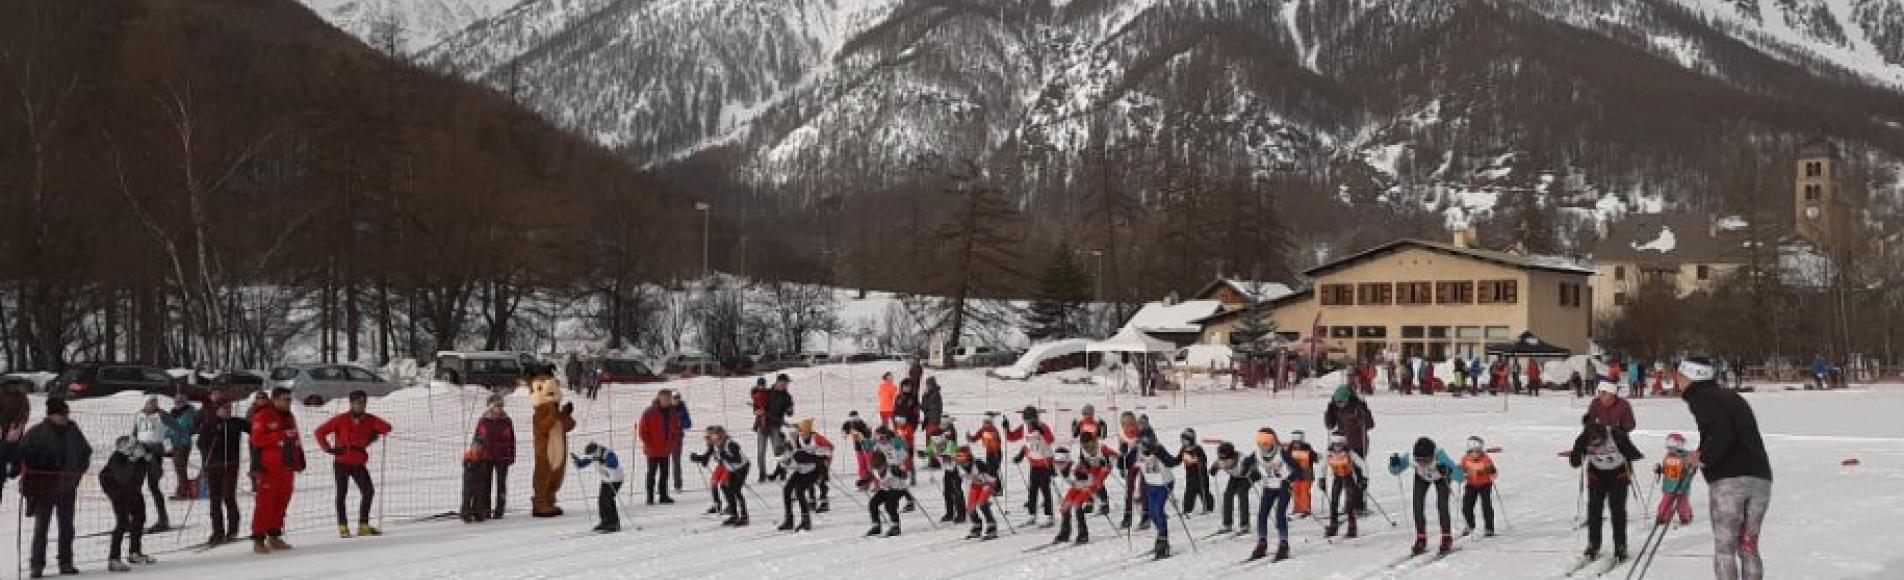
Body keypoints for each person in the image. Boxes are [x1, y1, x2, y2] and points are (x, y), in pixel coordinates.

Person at [1678, 356, 1772, 580]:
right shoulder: (1731, 396)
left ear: (1691, 377)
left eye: (1680, 376)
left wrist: (1703, 457)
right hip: (1760, 477)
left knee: (1725, 549)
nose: (1677, 381)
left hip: (1730, 480)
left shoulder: (1701, 397)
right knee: (1748, 548)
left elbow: (1721, 431)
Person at [22, 398, 90, 577]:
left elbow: (85, 452)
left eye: (66, 414)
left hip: (67, 487)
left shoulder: (73, 431)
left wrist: (77, 474)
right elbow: (24, 459)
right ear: (51, 415)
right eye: (61, 414)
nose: (65, 417)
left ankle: (66, 562)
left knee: (67, 526)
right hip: (44, 489)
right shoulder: (35, 433)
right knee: (41, 527)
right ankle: (37, 565)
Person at [314, 390, 393, 538]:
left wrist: (375, 433)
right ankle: (343, 526)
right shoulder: (341, 419)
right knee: (341, 494)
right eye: (357, 402)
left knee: (368, 492)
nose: (361, 405)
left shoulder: (370, 419)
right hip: (341, 462)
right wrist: (327, 448)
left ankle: (363, 525)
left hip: (358, 462)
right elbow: (319, 432)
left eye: (363, 402)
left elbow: (387, 428)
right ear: (351, 403)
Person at [1569, 415, 1644, 563]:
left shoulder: (1616, 435)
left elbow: (1635, 454)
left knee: (1617, 511)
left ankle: (1620, 546)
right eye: (1593, 443)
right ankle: (1593, 545)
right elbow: (1574, 462)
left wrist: (1625, 446)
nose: (1596, 445)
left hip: (1618, 474)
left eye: (1599, 442)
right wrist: (1577, 455)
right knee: (1594, 511)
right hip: (1596, 475)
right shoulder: (1583, 438)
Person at [250, 388, 304, 554]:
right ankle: (258, 539)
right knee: (265, 503)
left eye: (290, 399)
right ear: (274, 400)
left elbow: (295, 438)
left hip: (287, 467)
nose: (288, 402)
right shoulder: (263, 415)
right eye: (285, 399)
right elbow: (256, 440)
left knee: (282, 502)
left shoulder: (289, 416)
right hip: (269, 468)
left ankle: (274, 535)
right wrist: (279, 436)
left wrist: (300, 457)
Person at [1389, 437, 1463, 556]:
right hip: (1421, 477)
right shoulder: (1410, 457)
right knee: (1417, 505)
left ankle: (1446, 537)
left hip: (1440, 477)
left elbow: (1460, 477)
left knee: (1442, 505)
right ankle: (1421, 539)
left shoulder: (1441, 456)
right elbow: (1395, 471)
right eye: (1419, 460)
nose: (1422, 463)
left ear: (1433, 455)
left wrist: (1448, 471)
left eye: (1426, 460)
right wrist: (1394, 464)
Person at [194, 395, 248, 545]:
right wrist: (213, 436)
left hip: (230, 465)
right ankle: (217, 532)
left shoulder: (235, 423)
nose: (228, 411)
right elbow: (200, 444)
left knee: (229, 497)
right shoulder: (209, 425)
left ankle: (232, 530)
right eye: (225, 408)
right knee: (215, 500)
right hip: (214, 466)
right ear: (217, 410)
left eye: (230, 408)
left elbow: (254, 428)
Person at [101, 436, 156, 572]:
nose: (138, 448)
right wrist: (132, 461)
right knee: (123, 521)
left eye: (138, 445)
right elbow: (122, 478)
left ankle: (134, 552)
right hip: (116, 489)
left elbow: (157, 474)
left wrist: (151, 460)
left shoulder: (141, 457)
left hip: (133, 488)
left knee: (140, 517)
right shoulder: (116, 458)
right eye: (134, 447)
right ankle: (114, 559)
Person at [1249, 428, 1300, 562]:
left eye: (1265, 444)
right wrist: (1252, 473)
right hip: (1269, 487)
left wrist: (1289, 480)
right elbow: (1246, 465)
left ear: (1272, 443)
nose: (1262, 447)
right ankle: (1262, 543)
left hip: (1284, 486)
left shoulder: (1281, 454)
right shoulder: (1257, 453)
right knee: (1262, 514)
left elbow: (1299, 470)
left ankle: (1283, 544)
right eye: (1260, 444)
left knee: (1280, 514)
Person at [1323, 384, 1375, 515]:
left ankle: (1358, 504)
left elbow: (1370, 425)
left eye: (1342, 402)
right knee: (1343, 474)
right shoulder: (1336, 409)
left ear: (1348, 399)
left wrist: (1364, 412)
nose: (1339, 404)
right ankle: (1349, 503)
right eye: (1337, 402)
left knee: (1358, 474)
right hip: (1342, 446)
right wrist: (1328, 414)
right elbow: (1330, 425)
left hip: (1358, 445)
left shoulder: (1356, 407)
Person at [529, 377, 576, 517]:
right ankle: (539, 503)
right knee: (543, 475)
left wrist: (566, 414)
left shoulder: (557, 412)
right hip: (545, 451)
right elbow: (543, 427)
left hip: (558, 449)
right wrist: (552, 412)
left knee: (556, 476)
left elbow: (569, 426)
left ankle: (550, 501)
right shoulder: (540, 412)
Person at [1006, 406, 1056, 527]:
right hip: (1034, 462)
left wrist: (1042, 431)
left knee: (1045, 489)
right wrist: (1006, 428)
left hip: (1045, 461)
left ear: (1035, 418)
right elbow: (1011, 438)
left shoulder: (1042, 426)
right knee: (1032, 490)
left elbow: (1051, 440)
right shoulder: (1024, 428)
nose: (1028, 422)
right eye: (1026, 419)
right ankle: (1032, 515)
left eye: (1030, 419)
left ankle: (1049, 517)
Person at [1133, 429, 1179, 559]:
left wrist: (1160, 455)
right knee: (1152, 513)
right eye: (1143, 441)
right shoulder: (1138, 451)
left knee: (1158, 510)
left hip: (1164, 483)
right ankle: (1161, 537)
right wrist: (1125, 454)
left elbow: (1172, 462)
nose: (1145, 444)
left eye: (1148, 440)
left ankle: (1163, 541)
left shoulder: (1159, 449)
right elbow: (1128, 463)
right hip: (1151, 483)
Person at [691, 426, 751, 526]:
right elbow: (705, 458)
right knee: (727, 489)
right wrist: (697, 458)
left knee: (736, 490)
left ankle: (744, 517)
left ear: (722, 436)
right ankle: (734, 515)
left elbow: (738, 460)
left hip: (742, 468)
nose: (715, 441)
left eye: (717, 438)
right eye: (714, 439)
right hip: (731, 468)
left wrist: (725, 456)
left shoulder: (731, 444)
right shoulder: (715, 445)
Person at [1059, 437, 1114, 544]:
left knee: (1077, 503)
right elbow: (1073, 478)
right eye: (1084, 446)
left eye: (1088, 446)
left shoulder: (1100, 451)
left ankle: (1083, 534)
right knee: (1065, 505)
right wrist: (1070, 474)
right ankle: (1065, 532)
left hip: (1090, 484)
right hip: (1078, 484)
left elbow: (1095, 478)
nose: (1087, 448)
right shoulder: (1080, 457)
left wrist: (1106, 464)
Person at [131, 396, 173, 533]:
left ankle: (163, 518)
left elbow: (173, 430)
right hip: (140, 452)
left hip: (155, 453)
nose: (153, 404)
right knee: (134, 486)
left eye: (155, 402)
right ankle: (135, 519)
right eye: (150, 402)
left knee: (153, 485)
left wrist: (168, 446)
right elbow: (134, 433)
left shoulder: (162, 415)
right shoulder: (138, 415)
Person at [776, 422, 828, 531]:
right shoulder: (789, 445)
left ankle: (806, 521)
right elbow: (784, 460)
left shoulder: (805, 443)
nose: (793, 436)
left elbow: (820, 456)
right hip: (801, 469)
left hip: (812, 470)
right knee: (787, 490)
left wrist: (821, 460)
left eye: (795, 434)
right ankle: (789, 520)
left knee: (799, 491)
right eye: (791, 435)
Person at [473, 395, 515, 519]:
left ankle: (499, 509)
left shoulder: (507, 421)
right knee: (485, 484)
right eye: (496, 406)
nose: (499, 409)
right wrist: (474, 453)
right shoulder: (483, 421)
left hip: (502, 457)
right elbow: (477, 438)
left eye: (500, 406)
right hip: (486, 457)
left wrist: (511, 455)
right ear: (490, 407)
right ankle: (485, 509)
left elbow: (512, 439)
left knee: (501, 484)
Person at [637, 389, 681, 504]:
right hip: (652, 449)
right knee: (651, 473)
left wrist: (673, 443)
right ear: (659, 398)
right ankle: (650, 497)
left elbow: (676, 429)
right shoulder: (649, 412)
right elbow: (642, 431)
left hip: (666, 449)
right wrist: (649, 444)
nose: (667, 401)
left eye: (669, 399)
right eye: (665, 399)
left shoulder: (673, 412)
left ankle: (663, 496)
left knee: (664, 474)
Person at [571, 442, 624, 533]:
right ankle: (605, 521)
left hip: (615, 479)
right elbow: (584, 462)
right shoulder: (594, 455)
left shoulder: (607, 452)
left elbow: (614, 463)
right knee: (601, 501)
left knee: (608, 500)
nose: (591, 456)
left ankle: (614, 523)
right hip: (606, 479)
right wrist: (578, 462)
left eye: (591, 454)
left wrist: (602, 461)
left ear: (596, 450)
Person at [1322, 432, 1367, 539]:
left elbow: (1362, 464)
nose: (1338, 447)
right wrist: (1321, 479)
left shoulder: (1349, 453)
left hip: (1348, 477)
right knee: (1334, 501)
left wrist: (1364, 479)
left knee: (1350, 502)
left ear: (1344, 444)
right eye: (1336, 445)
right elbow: (1322, 466)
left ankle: (1352, 526)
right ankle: (1333, 524)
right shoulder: (1328, 453)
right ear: (1332, 444)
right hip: (1337, 477)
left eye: (1340, 444)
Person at [952, 446, 1000, 540]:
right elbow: (958, 478)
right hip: (976, 485)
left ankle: (992, 525)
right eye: (957, 457)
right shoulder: (959, 466)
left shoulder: (977, 463)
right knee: (970, 507)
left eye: (961, 456)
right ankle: (977, 525)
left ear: (967, 456)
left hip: (988, 482)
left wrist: (996, 485)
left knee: (982, 504)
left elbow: (993, 471)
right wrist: (956, 484)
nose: (960, 460)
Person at [1071, 405, 1111, 510]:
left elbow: (1102, 436)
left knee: (1096, 479)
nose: (1087, 416)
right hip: (1083, 454)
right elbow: (1075, 435)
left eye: (1088, 413)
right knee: (1086, 479)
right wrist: (1074, 426)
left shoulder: (1095, 424)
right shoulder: (1081, 423)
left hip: (1094, 454)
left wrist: (1104, 426)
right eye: (1085, 413)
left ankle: (1104, 502)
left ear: (1092, 414)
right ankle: (1089, 501)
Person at [790, 418, 834, 513]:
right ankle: (812, 501)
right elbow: (796, 451)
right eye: (801, 434)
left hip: (821, 463)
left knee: (821, 482)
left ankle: (824, 503)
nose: (803, 436)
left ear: (809, 432)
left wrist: (822, 455)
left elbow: (830, 447)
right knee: (809, 482)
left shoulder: (817, 438)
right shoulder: (798, 439)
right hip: (809, 464)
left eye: (805, 433)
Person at [755, 375, 794, 482]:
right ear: (778, 382)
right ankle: (762, 474)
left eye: (786, 384)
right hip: (762, 425)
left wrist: (790, 410)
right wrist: (757, 411)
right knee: (761, 452)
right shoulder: (767, 392)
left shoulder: (787, 397)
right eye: (783, 383)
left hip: (775, 426)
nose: (785, 385)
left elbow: (790, 413)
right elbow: (757, 406)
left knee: (778, 451)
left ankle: (782, 471)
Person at [1458, 436, 1499, 537]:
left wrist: (1488, 471)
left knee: (1486, 505)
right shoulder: (1465, 459)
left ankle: (1489, 528)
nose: (1475, 454)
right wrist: (1458, 471)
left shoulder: (1485, 459)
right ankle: (1469, 525)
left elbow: (1493, 471)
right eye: (1472, 451)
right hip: (1471, 485)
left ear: (1481, 450)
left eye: (1477, 451)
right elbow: (1461, 468)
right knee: (1466, 506)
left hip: (1484, 484)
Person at [1211, 441, 1254, 534]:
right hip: (1235, 475)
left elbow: (1254, 464)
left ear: (1233, 457)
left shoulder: (1243, 460)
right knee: (1227, 495)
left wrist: (1248, 470)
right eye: (1222, 459)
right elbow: (1216, 464)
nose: (1224, 463)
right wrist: (1213, 469)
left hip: (1248, 476)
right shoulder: (1221, 461)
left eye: (1227, 460)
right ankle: (1227, 524)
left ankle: (1245, 525)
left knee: (1242, 493)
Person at [864, 449, 909, 537]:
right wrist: (863, 481)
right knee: (873, 503)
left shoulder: (892, 468)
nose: (878, 470)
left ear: (884, 464)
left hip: (899, 489)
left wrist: (900, 473)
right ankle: (876, 526)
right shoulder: (875, 469)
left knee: (889, 505)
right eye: (876, 467)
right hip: (886, 489)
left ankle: (895, 526)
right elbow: (871, 476)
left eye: (880, 467)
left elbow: (905, 476)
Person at [1654, 433, 1696, 526]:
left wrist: (1690, 469)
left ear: (1679, 446)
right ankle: (1662, 517)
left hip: (1682, 486)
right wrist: (1660, 469)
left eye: (1672, 447)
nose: (1669, 449)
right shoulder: (1668, 456)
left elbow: (1691, 471)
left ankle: (1686, 517)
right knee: (1666, 502)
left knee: (1682, 504)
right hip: (1669, 485)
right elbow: (1667, 469)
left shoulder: (1686, 457)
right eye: (1668, 447)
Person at [966, 414, 1005, 498]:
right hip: (989, 453)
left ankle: (998, 489)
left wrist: (996, 453)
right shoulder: (983, 430)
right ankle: (994, 488)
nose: (985, 424)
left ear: (991, 423)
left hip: (996, 453)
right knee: (990, 472)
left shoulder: (994, 430)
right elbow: (975, 438)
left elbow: (998, 443)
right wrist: (969, 437)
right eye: (984, 422)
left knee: (993, 471)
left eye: (988, 422)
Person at [1115, 411, 1143, 528]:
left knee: (1145, 489)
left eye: (1130, 422)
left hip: (1143, 463)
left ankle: (1146, 515)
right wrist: (1121, 466)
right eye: (1124, 423)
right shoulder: (1123, 435)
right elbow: (1121, 453)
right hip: (1131, 464)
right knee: (1129, 490)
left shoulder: (1141, 432)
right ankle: (1127, 516)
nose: (1127, 425)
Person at [166, 397, 198, 500]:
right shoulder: (173, 413)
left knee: (180, 468)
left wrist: (184, 432)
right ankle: (183, 490)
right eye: (176, 402)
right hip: (174, 444)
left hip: (183, 444)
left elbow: (191, 427)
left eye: (181, 402)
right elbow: (168, 429)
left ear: (185, 402)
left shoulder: (189, 413)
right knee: (179, 469)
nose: (178, 404)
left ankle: (183, 491)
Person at [1178, 429, 1213, 514]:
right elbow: (1178, 459)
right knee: (1189, 492)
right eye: (1181, 440)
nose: (1182, 441)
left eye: (1184, 440)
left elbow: (1204, 459)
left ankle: (1208, 507)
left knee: (1203, 491)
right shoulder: (1183, 449)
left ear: (1190, 439)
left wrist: (1200, 461)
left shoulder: (1197, 448)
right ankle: (1187, 509)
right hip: (1190, 475)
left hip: (1200, 474)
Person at [1286, 429, 1318, 518]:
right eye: (1295, 442)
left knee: (1304, 490)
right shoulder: (1289, 449)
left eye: (1299, 443)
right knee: (1296, 490)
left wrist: (1314, 456)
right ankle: (1297, 508)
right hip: (1295, 473)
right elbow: (1285, 459)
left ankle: (1305, 509)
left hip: (1306, 473)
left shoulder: (1307, 448)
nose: (1297, 445)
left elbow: (1315, 458)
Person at [461, 436, 492, 523]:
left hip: (480, 482)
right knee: (467, 498)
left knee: (479, 499)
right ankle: (466, 514)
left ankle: (478, 514)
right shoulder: (468, 456)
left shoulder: (484, 457)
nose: (477, 448)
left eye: (479, 446)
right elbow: (466, 466)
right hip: (469, 482)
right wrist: (472, 463)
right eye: (475, 445)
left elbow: (484, 469)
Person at [841, 411, 874, 489]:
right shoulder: (848, 423)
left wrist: (863, 433)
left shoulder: (862, 423)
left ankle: (873, 482)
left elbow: (868, 434)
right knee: (861, 465)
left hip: (867, 447)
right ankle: (864, 483)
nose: (853, 418)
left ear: (858, 416)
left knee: (869, 465)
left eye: (855, 417)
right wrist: (845, 433)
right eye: (852, 417)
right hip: (858, 448)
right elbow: (844, 429)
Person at [919, 378, 945, 469]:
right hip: (929, 420)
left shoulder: (935, 394)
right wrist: (924, 396)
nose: (928, 386)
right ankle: (932, 460)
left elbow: (925, 405)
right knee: (929, 441)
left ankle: (935, 461)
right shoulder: (929, 394)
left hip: (933, 421)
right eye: (927, 384)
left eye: (929, 384)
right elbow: (923, 407)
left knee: (933, 442)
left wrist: (925, 397)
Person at [671, 395, 691, 494]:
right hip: (664, 439)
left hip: (677, 439)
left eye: (677, 398)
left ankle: (678, 485)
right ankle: (661, 487)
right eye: (674, 398)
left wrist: (680, 423)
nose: (676, 400)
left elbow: (688, 424)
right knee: (662, 462)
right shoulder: (665, 408)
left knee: (676, 462)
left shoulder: (682, 409)